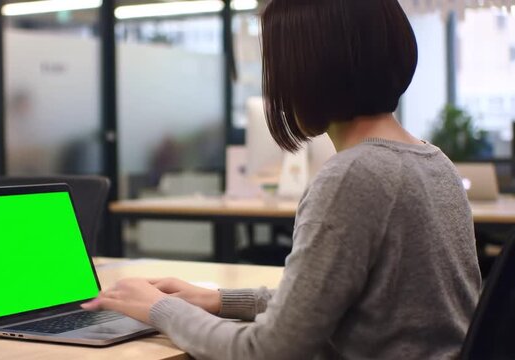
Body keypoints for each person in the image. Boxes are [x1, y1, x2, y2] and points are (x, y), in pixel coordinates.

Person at [82, 0, 481, 358]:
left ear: (307, 70)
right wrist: (216, 299)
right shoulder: (434, 161)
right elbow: (328, 300)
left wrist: (159, 309)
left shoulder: (354, 175)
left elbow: (270, 350)